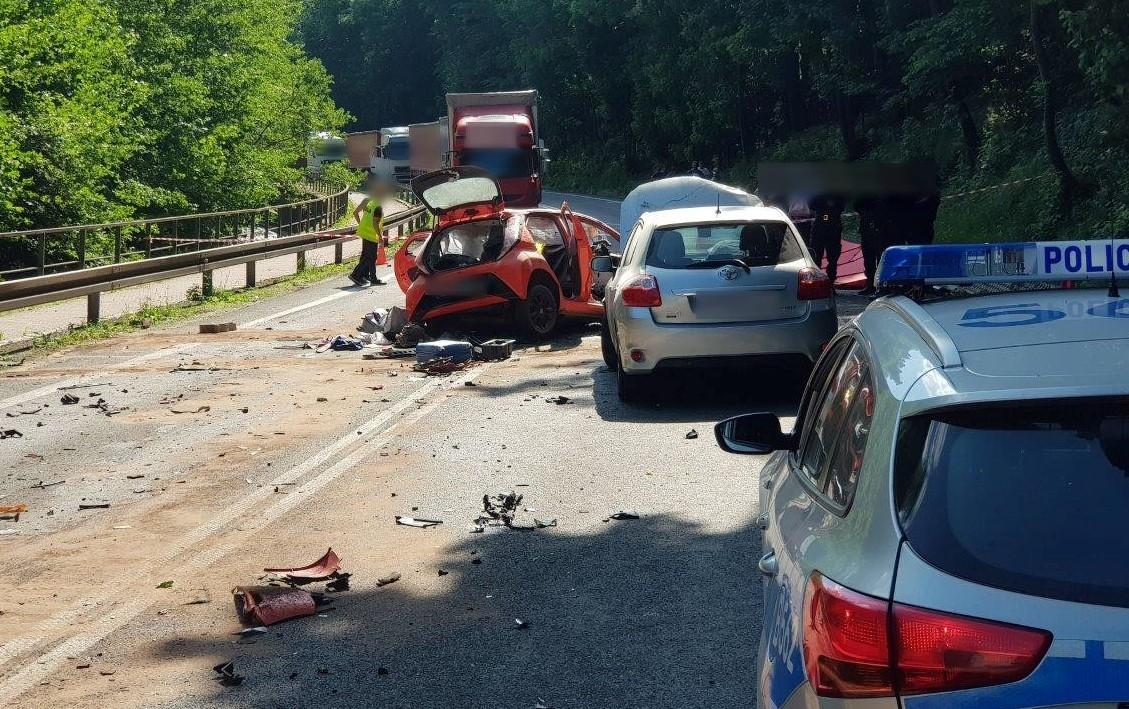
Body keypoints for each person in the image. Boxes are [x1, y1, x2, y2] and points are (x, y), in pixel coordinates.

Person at [350, 180, 386, 287]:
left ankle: (365, 276)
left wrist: (361, 225)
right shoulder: (377, 206)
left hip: (365, 233)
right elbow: (375, 223)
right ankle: (356, 275)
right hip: (371, 235)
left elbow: (356, 213)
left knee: (366, 256)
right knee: (370, 257)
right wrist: (380, 237)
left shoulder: (369, 202)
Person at [809, 193, 845, 283]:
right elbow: (811, 205)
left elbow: (842, 205)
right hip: (820, 224)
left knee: (833, 257)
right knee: (816, 255)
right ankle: (816, 281)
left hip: (834, 225)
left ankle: (831, 282)